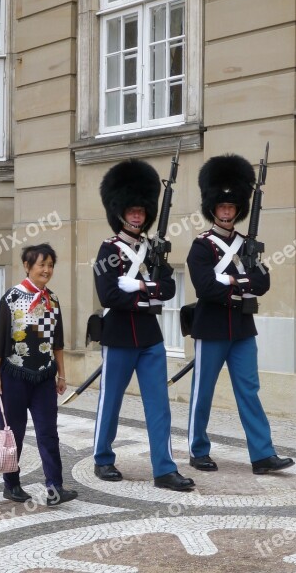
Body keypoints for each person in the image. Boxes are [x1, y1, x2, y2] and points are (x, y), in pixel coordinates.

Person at [186, 154, 295, 475]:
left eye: (232, 207)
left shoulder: (248, 244)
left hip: (243, 330)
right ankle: (197, 449)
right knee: (202, 392)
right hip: (211, 328)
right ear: (213, 209)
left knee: (249, 391)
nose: (227, 211)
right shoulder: (201, 245)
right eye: (222, 207)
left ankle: (262, 454)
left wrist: (231, 281)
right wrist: (239, 284)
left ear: (238, 210)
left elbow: (263, 282)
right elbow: (205, 287)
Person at [93, 159, 195, 492]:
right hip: (119, 336)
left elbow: (168, 288)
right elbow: (108, 294)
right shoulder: (108, 250)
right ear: (120, 212)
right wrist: (146, 293)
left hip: (150, 337)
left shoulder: (154, 250)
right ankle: (103, 457)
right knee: (110, 400)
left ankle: (164, 469)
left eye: (141, 212)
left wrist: (136, 286)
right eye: (132, 211)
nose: (137, 216)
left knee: (159, 405)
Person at [0, 243, 78, 506]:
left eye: (50, 265)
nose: (47, 270)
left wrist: (61, 374)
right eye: (42, 265)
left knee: (48, 432)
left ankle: (54, 487)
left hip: (44, 378)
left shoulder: (53, 300)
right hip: (13, 375)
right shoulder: (12, 297)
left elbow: (57, 341)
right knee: (13, 432)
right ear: (27, 266)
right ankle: (11, 484)